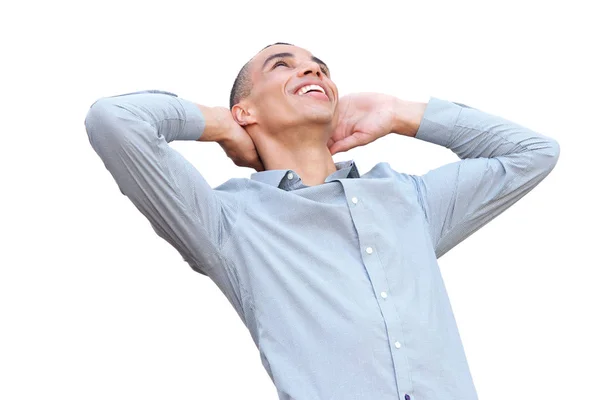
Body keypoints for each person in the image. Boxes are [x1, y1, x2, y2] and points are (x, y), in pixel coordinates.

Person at [84, 42, 560, 400]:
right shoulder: (226, 223)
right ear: (245, 110)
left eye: (320, 67)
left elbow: (534, 153)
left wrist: (400, 113)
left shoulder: (409, 199)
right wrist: (219, 124)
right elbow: (114, 120)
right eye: (282, 65)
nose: (312, 69)